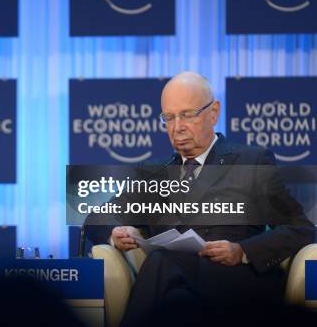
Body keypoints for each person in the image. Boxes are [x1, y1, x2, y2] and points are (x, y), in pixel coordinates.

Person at [85, 72, 315, 326]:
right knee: (172, 288)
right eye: (169, 118)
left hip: (236, 281)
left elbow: (300, 229)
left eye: (187, 114)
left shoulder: (252, 161)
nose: (177, 127)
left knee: (163, 271)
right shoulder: (152, 173)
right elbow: (95, 218)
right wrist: (114, 232)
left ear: (214, 112)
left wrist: (243, 251)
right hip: (171, 282)